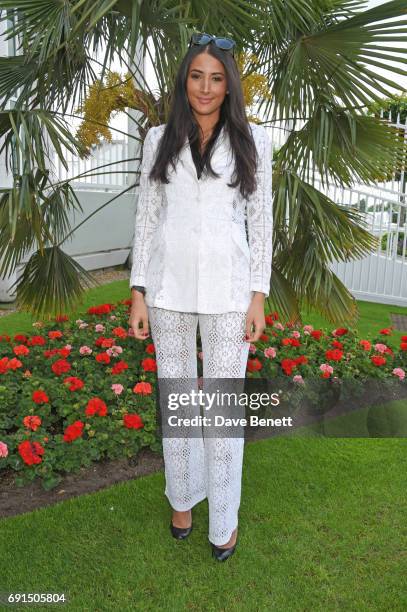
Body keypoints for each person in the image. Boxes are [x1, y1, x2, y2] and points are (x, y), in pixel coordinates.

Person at [129, 32, 273, 561]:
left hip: (230, 293)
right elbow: (146, 220)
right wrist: (138, 291)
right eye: (196, 76)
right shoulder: (158, 138)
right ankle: (183, 499)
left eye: (216, 78)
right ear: (184, 81)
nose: (205, 88)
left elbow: (262, 221)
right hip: (167, 289)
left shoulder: (253, 140)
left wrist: (258, 295)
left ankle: (224, 520)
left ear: (228, 84)